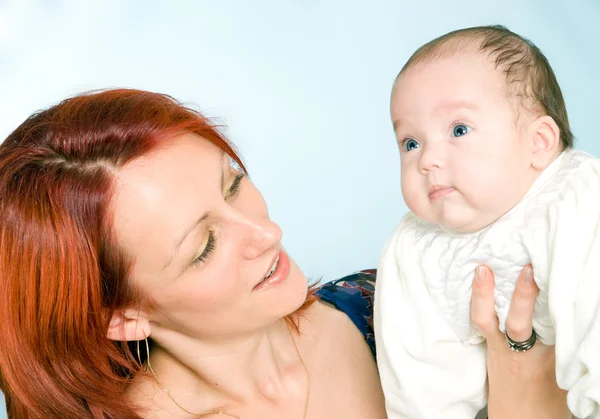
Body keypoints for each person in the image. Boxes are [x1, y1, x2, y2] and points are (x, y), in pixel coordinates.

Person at [0, 88, 567, 419]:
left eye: (232, 183)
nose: (264, 233)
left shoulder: (400, 302)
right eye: (204, 247)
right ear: (125, 316)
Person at [375, 25, 600, 419]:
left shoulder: (575, 197)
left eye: (458, 130)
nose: (426, 159)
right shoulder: (414, 246)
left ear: (539, 142)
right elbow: (418, 376)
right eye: (410, 142)